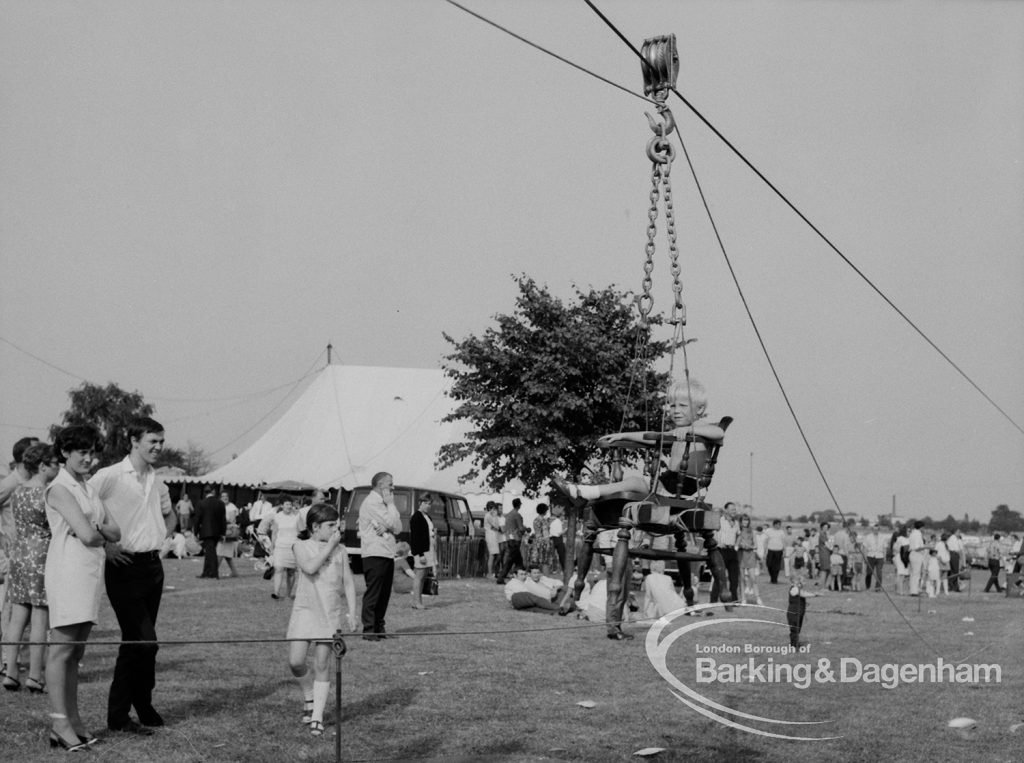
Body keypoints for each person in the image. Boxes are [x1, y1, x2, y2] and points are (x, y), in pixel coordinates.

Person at [45, 425, 121, 750]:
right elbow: (90, 536)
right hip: (67, 571)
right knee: (61, 650)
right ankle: (58, 722)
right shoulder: (58, 488)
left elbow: (115, 531)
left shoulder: (89, 489)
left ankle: (73, 720)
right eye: (82, 452)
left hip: (89, 573)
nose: (89, 458)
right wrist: (94, 531)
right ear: (64, 452)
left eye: (92, 452)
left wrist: (94, 529)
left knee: (76, 653)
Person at [286, 503, 358, 737]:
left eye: (337, 524)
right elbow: (310, 567)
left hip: (330, 613)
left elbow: (348, 582)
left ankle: (317, 715)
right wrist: (330, 546)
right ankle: (308, 695)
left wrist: (353, 612)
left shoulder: (342, 550)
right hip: (305, 611)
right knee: (296, 662)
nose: (336, 530)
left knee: (322, 664)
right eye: (331, 525)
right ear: (315, 527)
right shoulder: (300, 546)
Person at [2, 443, 59, 693]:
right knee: (40, 618)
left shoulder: (18, 491)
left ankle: (10, 670)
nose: (58, 467)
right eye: (55, 463)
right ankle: (35, 675)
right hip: (42, 554)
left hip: (19, 553)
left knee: (16, 617)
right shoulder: (47, 493)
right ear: (43, 466)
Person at [0, 436, 41, 647]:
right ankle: (6, 662)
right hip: (14, 556)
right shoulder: (10, 483)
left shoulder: (38, 483)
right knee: (10, 612)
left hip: (34, 557)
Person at [357, 472, 401, 640]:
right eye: (390, 484)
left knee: (384, 593)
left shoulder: (384, 503)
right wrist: (391, 507)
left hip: (386, 552)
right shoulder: (372, 503)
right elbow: (392, 523)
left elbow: (397, 527)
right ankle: (369, 630)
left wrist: (390, 525)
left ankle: (379, 627)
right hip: (374, 553)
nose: (392, 487)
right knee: (374, 592)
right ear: (381, 485)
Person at [260, 499, 301, 599]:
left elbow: (300, 531)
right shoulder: (277, 517)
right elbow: (274, 533)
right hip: (280, 546)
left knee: (291, 571)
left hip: (293, 546)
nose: (289, 506)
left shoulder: (297, 517)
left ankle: (288, 594)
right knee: (278, 568)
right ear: (282, 505)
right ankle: (276, 593)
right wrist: (272, 547)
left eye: (290, 504)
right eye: (287, 504)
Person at [410, 493, 438, 610]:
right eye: (425, 503)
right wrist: (420, 554)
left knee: (423, 576)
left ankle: (418, 601)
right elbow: (415, 538)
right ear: (420, 503)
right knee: (419, 576)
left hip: (429, 549)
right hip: (422, 551)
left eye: (429, 504)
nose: (428, 506)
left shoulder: (427, 517)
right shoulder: (416, 517)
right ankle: (416, 602)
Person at [709, 502, 739, 605]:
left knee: (734, 578)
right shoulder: (719, 521)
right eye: (732, 509)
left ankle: (734, 600)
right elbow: (711, 534)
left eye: (735, 509)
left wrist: (737, 545)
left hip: (732, 551)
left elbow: (738, 535)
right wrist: (717, 543)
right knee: (719, 576)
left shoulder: (736, 523)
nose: (734, 511)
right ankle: (713, 600)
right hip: (721, 551)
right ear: (726, 510)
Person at [195, 487, 226, 579]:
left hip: (205, 531)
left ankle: (214, 572)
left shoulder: (201, 503)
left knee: (210, 552)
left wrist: (195, 532)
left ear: (205, 493)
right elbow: (223, 519)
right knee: (210, 552)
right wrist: (223, 533)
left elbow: (197, 519)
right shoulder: (220, 503)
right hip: (217, 532)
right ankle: (206, 572)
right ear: (213, 491)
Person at [496, 498, 525, 584]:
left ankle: (521, 575)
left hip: (508, 537)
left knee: (518, 560)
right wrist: (526, 529)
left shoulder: (507, 515)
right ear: (519, 505)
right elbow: (520, 528)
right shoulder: (517, 515)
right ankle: (501, 577)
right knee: (510, 559)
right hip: (516, 538)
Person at [736, 514, 762, 605]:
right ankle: (743, 599)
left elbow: (756, 545)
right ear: (741, 521)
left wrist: (750, 546)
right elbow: (736, 545)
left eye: (747, 520)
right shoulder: (738, 531)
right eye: (743, 520)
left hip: (750, 555)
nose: (745, 522)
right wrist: (740, 546)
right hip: (741, 555)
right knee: (742, 579)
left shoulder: (752, 531)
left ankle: (758, 597)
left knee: (753, 578)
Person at [528, 503, 557, 575]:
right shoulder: (543, 521)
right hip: (543, 542)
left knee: (536, 561)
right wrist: (548, 544)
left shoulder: (535, 520)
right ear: (544, 511)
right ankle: (545, 578)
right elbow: (545, 533)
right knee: (545, 561)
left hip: (536, 542)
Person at [216, 490, 240, 577]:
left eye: (226, 496)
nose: (225, 498)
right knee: (227, 556)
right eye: (223, 496)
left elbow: (232, 521)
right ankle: (234, 572)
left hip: (228, 533)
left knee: (220, 552)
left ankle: (214, 571)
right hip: (222, 531)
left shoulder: (231, 507)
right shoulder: (219, 506)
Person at [861, 525, 886, 592]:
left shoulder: (883, 537)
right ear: (872, 530)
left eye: (877, 529)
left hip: (880, 556)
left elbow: (884, 548)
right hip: (870, 556)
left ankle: (877, 587)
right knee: (869, 573)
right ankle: (868, 586)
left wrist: (885, 557)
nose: (876, 531)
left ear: (879, 530)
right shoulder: (868, 537)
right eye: (874, 529)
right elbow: (865, 548)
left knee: (879, 573)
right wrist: (865, 557)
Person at [483, 501, 504, 578]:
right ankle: (489, 573)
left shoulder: (491, 516)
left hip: (494, 536)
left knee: (495, 555)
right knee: (491, 555)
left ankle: (493, 572)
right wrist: (495, 517)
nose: (494, 510)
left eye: (495, 509)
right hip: (490, 536)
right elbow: (496, 526)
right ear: (489, 508)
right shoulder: (488, 516)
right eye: (493, 509)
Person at [907, 521, 927, 596]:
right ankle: (914, 591)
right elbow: (917, 548)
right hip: (916, 554)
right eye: (923, 527)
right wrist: (927, 547)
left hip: (913, 554)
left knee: (913, 574)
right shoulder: (918, 534)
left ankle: (913, 590)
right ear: (921, 527)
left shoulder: (912, 533)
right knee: (916, 574)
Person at [764, 519, 785, 584]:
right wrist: (765, 551)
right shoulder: (768, 531)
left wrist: (784, 551)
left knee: (777, 566)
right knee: (769, 565)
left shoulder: (781, 532)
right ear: (774, 524)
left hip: (779, 551)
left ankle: (774, 579)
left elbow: (784, 542)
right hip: (770, 550)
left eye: (780, 525)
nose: (779, 526)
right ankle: (772, 576)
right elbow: (765, 541)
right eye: (778, 524)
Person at [549, 503, 566, 575]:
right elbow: (559, 533)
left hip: (552, 538)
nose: (564, 518)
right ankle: (563, 569)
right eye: (563, 516)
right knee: (562, 555)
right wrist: (566, 530)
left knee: (553, 555)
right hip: (557, 539)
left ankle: (554, 569)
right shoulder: (558, 522)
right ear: (561, 516)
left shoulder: (554, 522)